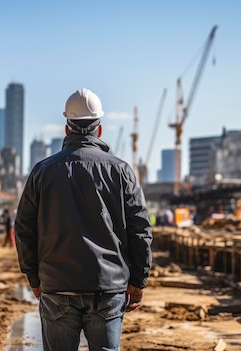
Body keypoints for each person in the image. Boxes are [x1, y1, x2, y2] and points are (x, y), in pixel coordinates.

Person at [14, 88, 153, 350]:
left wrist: (34, 278)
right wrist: (137, 281)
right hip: (108, 288)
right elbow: (140, 230)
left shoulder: (43, 171)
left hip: (57, 286)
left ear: (67, 129)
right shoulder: (121, 170)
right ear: (99, 130)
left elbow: (23, 229)